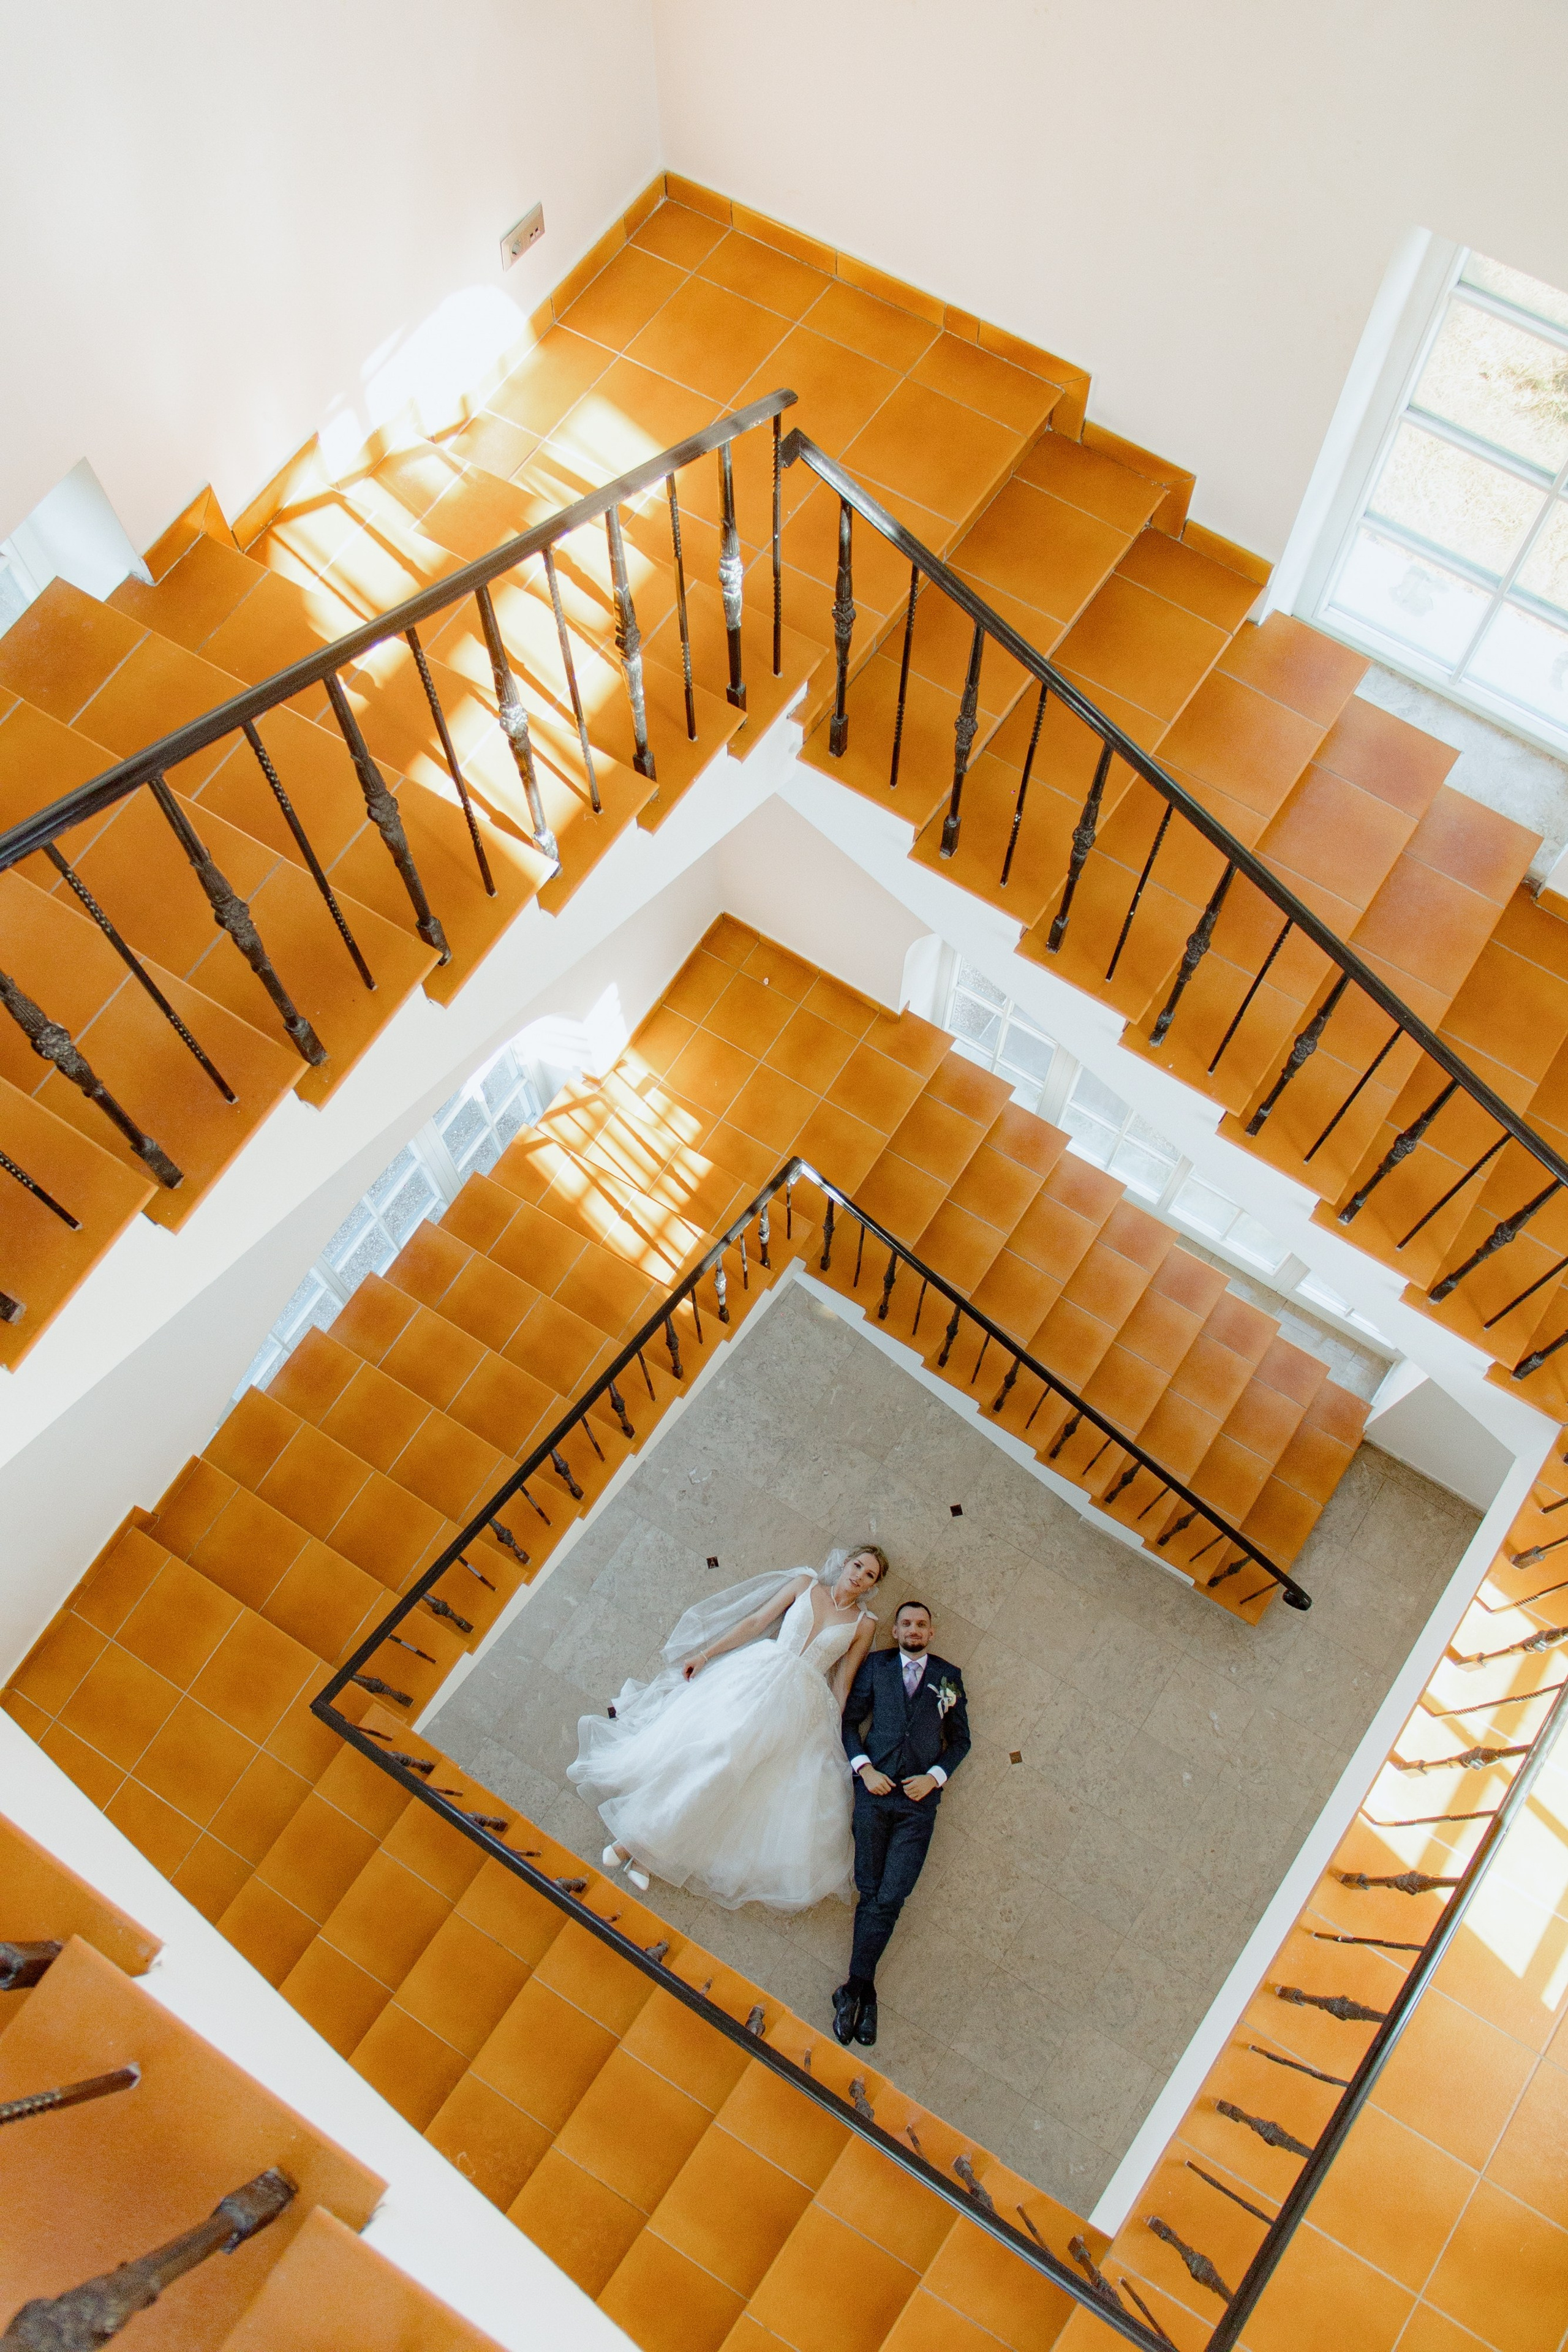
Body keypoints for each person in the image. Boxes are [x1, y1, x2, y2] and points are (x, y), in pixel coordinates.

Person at [567, 1545, 887, 1910]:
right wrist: (706, 1655)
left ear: (872, 1586)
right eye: (858, 1565)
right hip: (752, 1679)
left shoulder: (865, 1624)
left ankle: (640, 1849)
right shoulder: (805, 1584)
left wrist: (832, 1735)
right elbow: (755, 1623)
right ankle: (638, 1848)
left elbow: (843, 1682)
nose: (859, 1575)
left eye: (870, 1574)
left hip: (797, 1706)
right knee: (711, 1755)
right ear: (845, 1563)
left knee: (735, 1774)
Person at [834, 1599, 970, 2048]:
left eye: (922, 1624)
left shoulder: (948, 1676)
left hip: (918, 1804)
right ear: (895, 1631)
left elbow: (961, 1741)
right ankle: (863, 1992)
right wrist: (864, 1769)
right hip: (874, 1793)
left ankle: (854, 1990)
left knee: (892, 1895)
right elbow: (851, 1722)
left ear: (932, 1633)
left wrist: (933, 1779)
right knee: (869, 1888)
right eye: (906, 1623)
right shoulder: (875, 1667)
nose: (914, 1629)